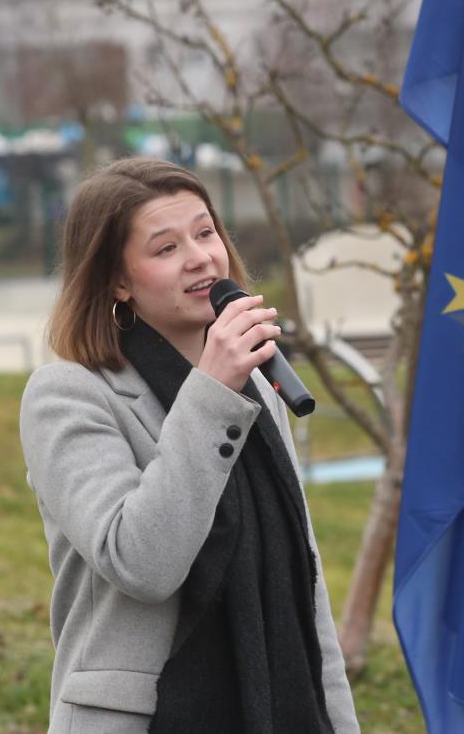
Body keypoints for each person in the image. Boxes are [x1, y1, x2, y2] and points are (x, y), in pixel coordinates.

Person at [20, 158, 359, 733]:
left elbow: (305, 585)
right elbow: (141, 563)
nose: (200, 257)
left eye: (206, 233)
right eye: (166, 247)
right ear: (117, 281)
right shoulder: (68, 395)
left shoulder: (260, 388)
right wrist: (212, 391)